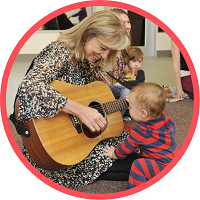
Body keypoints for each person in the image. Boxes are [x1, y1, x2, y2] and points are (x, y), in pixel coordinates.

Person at [15, 10, 131, 188]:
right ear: (87, 33)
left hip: (74, 138)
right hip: (52, 145)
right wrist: (79, 110)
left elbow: (89, 96)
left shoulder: (83, 60)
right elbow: (29, 88)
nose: (105, 56)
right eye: (102, 48)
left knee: (132, 139)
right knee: (135, 159)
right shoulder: (58, 51)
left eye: (110, 51)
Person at [101, 82, 179, 189]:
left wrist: (113, 154)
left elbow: (124, 149)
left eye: (131, 108)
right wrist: (134, 102)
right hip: (174, 161)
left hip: (161, 168)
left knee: (138, 165)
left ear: (144, 114)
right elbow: (173, 129)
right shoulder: (165, 119)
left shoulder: (141, 131)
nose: (129, 108)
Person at [90, 8, 131, 85]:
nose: (127, 26)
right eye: (122, 23)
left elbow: (123, 75)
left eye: (128, 22)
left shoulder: (125, 50)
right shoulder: (100, 53)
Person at [108, 47, 145, 118]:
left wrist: (122, 83)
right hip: (119, 94)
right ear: (127, 61)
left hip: (130, 97)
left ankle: (117, 118)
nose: (136, 64)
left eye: (139, 61)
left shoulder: (140, 72)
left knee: (126, 90)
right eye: (133, 61)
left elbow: (139, 82)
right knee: (105, 87)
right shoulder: (122, 71)